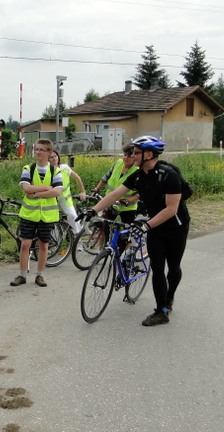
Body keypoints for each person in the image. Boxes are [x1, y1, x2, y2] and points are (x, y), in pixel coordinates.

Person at [80, 136, 190, 326]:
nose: (132, 156)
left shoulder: (168, 175)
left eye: (137, 152)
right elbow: (115, 194)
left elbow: (171, 209)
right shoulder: (138, 176)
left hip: (176, 227)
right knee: (157, 267)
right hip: (155, 227)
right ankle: (161, 312)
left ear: (149, 154)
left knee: (173, 268)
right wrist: (93, 210)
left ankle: (169, 297)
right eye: (132, 152)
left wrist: (145, 226)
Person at [11, 139, 63, 288]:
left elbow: (57, 191)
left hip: (47, 216)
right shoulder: (28, 168)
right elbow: (26, 189)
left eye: (41, 150)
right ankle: (22, 275)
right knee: (25, 244)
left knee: (44, 246)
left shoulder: (55, 171)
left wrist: (36, 194)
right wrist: (46, 188)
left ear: (49, 152)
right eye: (36, 149)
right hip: (29, 214)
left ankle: (39, 275)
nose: (37, 152)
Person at [91, 144, 140, 224]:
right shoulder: (118, 163)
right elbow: (106, 177)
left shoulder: (137, 171)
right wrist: (97, 189)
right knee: (104, 226)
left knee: (127, 229)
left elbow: (139, 194)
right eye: (125, 155)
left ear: (134, 157)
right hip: (110, 202)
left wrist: (127, 201)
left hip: (127, 207)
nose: (126, 158)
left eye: (129, 156)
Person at [47, 150, 86, 235]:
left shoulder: (64, 167)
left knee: (73, 216)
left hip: (65, 198)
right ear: (48, 159)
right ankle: (55, 239)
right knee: (52, 219)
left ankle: (77, 238)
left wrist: (82, 191)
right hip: (52, 198)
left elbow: (77, 178)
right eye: (51, 157)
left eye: (55, 156)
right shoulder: (47, 170)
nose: (54, 159)